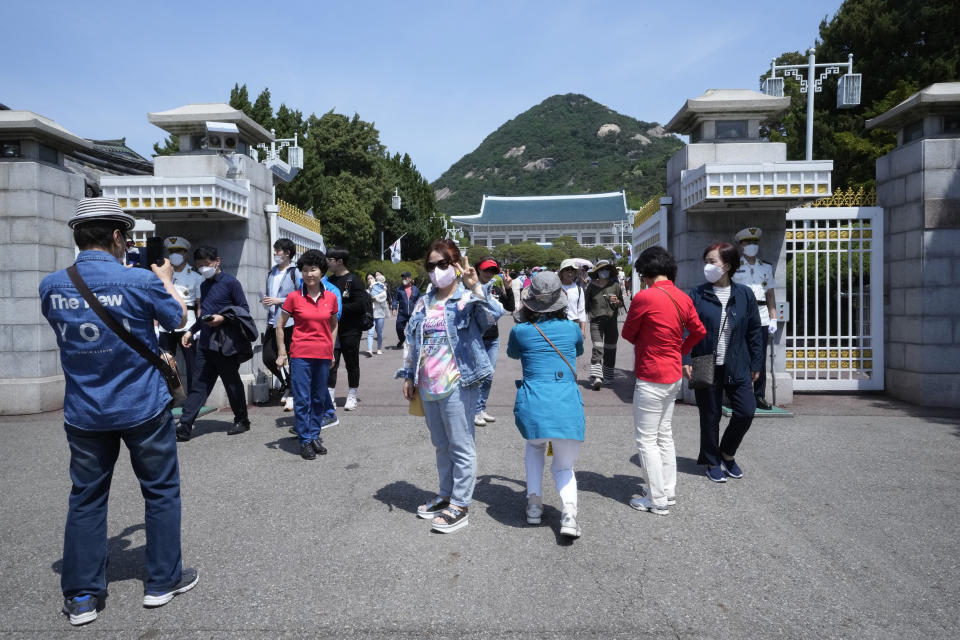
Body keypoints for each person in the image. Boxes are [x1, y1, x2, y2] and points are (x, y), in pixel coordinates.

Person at [39, 197, 197, 626]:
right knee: (161, 491)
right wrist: (163, 279)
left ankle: (83, 597)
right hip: (142, 405)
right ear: (116, 236)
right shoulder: (140, 280)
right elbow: (178, 319)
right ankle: (162, 582)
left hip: (85, 410)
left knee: (86, 499)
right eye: (126, 237)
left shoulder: (52, 285)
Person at [396, 239, 503, 533]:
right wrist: (408, 375)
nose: (435, 271)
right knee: (441, 445)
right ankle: (445, 495)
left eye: (442, 264)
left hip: (458, 381)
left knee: (461, 445)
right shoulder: (424, 301)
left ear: (455, 265)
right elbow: (411, 339)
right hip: (428, 382)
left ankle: (460, 504)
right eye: (431, 265)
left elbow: (493, 317)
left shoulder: (466, 299)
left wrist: (475, 288)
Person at [621, 247, 706, 514]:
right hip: (673, 373)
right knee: (664, 435)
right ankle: (666, 491)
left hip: (650, 373)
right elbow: (699, 330)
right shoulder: (683, 296)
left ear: (645, 273)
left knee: (646, 439)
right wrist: (680, 349)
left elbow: (628, 333)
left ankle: (656, 499)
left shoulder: (645, 297)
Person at [507, 271, 586, 539]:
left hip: (534, 403)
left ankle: (533, 506)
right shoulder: (572, 328)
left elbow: (512, 353)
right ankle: (569, 516)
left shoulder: (521, 331)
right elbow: (578, 350)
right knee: (564, 467)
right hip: (566, 404)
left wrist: (522, 315)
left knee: (535, 447)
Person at [685, 242, 763, 483]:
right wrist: (686, 358)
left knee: (746, 411)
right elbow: (685, 330)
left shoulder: (744, 294)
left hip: (737, 363)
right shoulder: (697, 294)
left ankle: (727, 453)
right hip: (705, 361)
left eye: (712, 261)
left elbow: (754, 331)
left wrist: (756, 363)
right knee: (710, 415)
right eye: (706, 261)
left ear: (727, 266)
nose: (707, 266)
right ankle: (711, 460)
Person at [176, 245, 257, 441]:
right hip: (205, 342)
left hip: (225, 343)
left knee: (231, 382)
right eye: (200, 265)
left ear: (217, 261)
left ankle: (242, 420)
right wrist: (190, 331)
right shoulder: (203, 285)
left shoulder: (231, 283)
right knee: (199, 384)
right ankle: (185, 425)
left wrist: (223, 318)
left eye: (207, 264)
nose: (204, 268)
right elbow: (203, 314)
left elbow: (243, 309)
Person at [275, 250, 339, 460]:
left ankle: (314, 435)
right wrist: (282, 352)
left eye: (313, 269)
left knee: (319, 398)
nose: (309, 274)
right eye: (305, 270)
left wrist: (330, 350)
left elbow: (333, 325)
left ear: (322, 272)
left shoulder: (330, 297)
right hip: (300, 355)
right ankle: (304, 440)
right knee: (302, 399)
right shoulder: (294, 297)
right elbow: (280, 325)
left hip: (322, 355)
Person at [732, 227, 779, 410]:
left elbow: (770, 294)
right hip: (742, 315)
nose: (752, 246)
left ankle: (759, 395)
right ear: (741, 245)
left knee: (759, 357)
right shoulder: (735, 267)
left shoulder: (765, 267)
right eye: (747, 242)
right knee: (739, 355)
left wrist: (773, 317)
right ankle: (737, 394)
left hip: (762, 315)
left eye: (754, 242)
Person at [158, 236, 204, 394]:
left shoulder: (196, 277)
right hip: (165, 324)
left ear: (185, 254)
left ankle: (193, 397)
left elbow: (200, 305)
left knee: (192, 363)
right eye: (171, 251)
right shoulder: (161, 275)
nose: (174, 255)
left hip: (188, 324)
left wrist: (198, 329)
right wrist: (155, 325)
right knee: (165, 362)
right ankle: (169, 396)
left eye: (178, 251)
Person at [474, 256, 515, 426]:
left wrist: (507, 288)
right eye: (486, 270)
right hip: (475, 338)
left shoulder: (495, 289)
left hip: (493, 338)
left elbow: (510, 307)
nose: (489, 273)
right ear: (478, 270)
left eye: (493, 271)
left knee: (489, 375)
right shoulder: (471, 288)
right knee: (478, 376)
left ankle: (481, 407)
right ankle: (475, 410)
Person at [325, 246, 365, 411]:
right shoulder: (327, 281)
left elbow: (360, 305)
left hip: (351, 330)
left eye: (330, 260)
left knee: (351, 363)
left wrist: (337, 309)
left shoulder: (353, 280)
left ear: (339, 261)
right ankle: (329, 396)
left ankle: (352, 395)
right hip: (331, 330)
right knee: (330, 363)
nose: (327, 262)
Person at [261, 238, 300, 412]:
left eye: (278, 250)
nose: (275, 253)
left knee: (292, 358)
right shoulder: (272, 272)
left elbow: (300, 296)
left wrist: (280, 300)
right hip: (272, 320)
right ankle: (287, 384)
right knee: (268, 357)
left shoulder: (295, 272)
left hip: (290, 322)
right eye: (275, 250)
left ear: (287, 253)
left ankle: (292, 392)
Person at [584, 259, 625, 390]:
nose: (604, 272)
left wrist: (617, 301)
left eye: (606, 269)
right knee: (598, 347)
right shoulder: (591, 286)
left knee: (610, 348)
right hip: (596, 322)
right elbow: (586, 304)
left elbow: (621, 304)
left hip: (611, 321)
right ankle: (597, 377)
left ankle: (607, 376)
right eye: (601, 270)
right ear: (597, 272)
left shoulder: (615, 286)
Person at [558, 259, 588, 338]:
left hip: (574, 324)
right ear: (561, 272)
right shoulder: (555, 288)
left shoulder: (578, 289)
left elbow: (581, 310)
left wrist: (582, 330)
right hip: (557, 325)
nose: (570, 272)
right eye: (567, 269)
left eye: (573, 270)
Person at [392, 270, 420, 349]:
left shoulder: (415, 289)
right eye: (403, 277)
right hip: (402, 313)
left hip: (413, 313)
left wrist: (420, 309)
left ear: (410, 279)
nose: (404, 279)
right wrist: (394, 308)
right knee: (399, 328)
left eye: (406, 277)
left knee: (413, 329)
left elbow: (419, 300)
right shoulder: (399, 289)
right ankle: (402, 339)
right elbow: (395, 299)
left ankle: (413, 344)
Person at [365, 273, 389, 356]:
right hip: (371, 315)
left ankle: (379, 348)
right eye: (368, 279)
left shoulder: (380, 287)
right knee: (370, 333)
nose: (370, 280)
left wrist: (376, 298)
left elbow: (384, 296)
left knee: (379, 332)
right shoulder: (367, 291)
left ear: (375, 279)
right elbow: (366, 301)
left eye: (371, 278)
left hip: (380, 314)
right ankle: (370, 350)